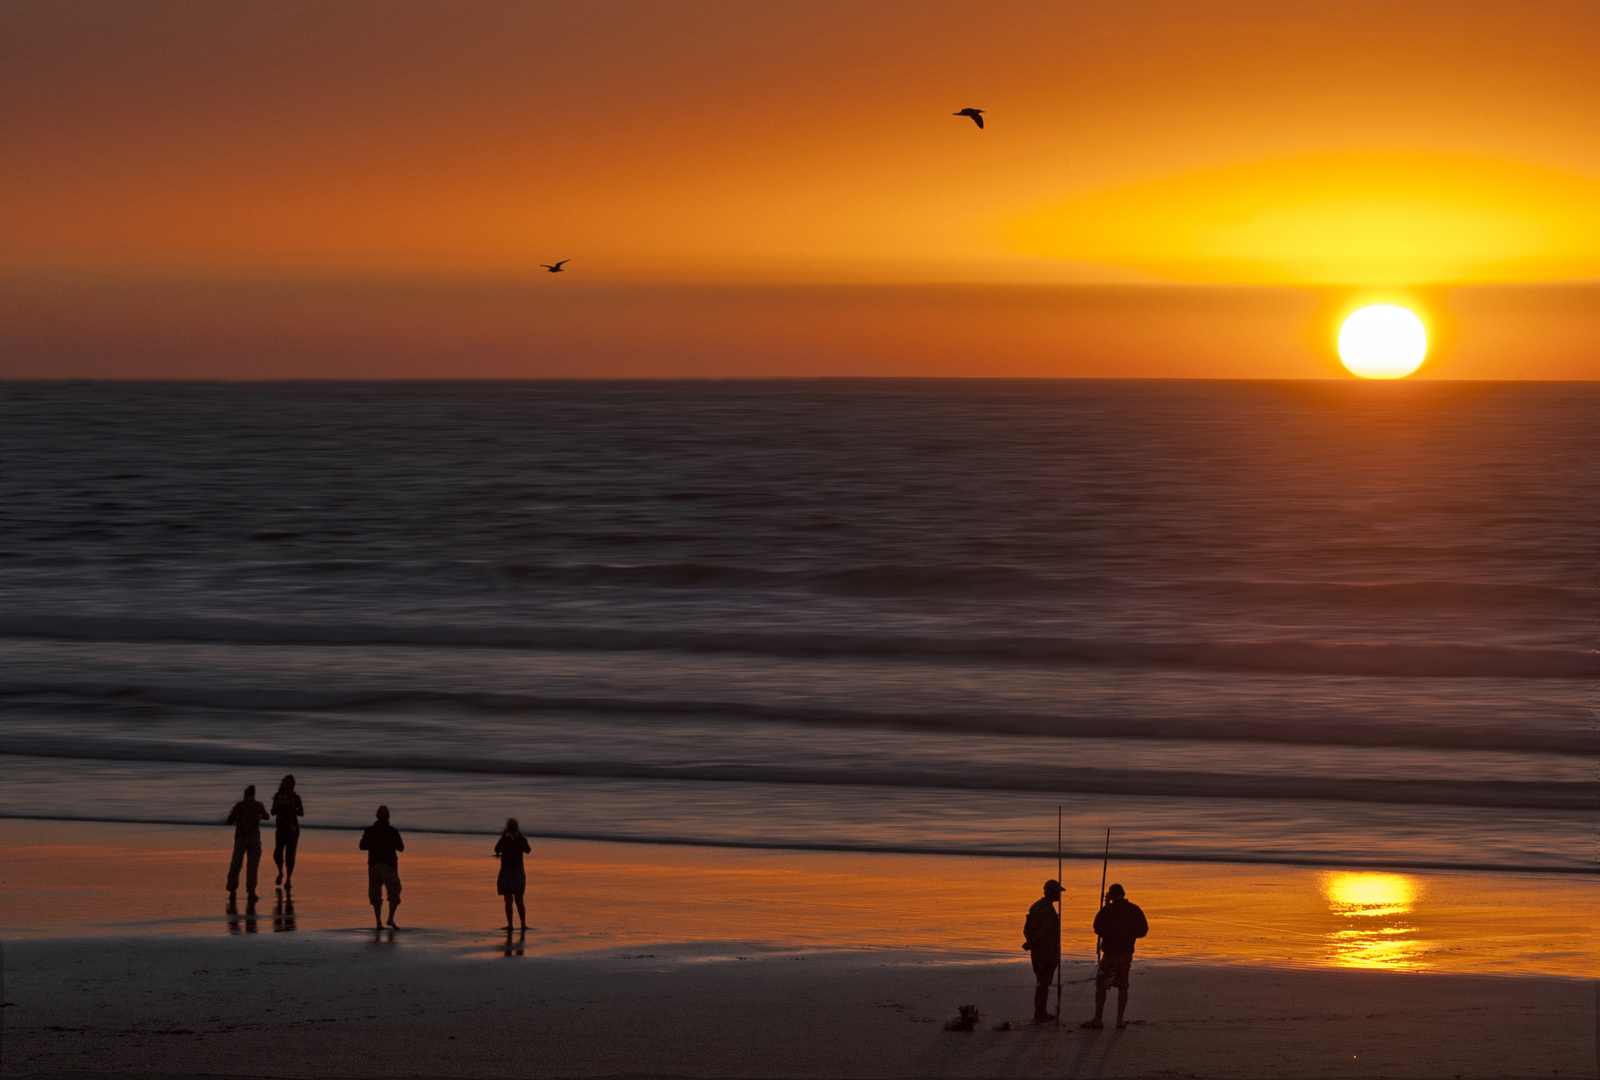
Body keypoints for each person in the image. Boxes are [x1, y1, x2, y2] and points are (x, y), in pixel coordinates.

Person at [1083, 882, 1148, 1030]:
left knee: (1101, 985)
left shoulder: (1108, 910)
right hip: (1126, 953)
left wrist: (1106, 906)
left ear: (1111, 895)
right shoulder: (1134, 909)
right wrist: (1130, 935)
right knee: (1123, 986)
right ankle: (1119, 1020)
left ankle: (1098, 1019)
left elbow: (1097, 927)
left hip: (1111, 953)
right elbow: (1143, 930)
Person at [1021, 878, 1063, 1023]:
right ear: (1050, 892)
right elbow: (1043, 932)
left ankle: (1041, 1011)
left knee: (1042, 981)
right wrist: (1033, 943)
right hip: (1045, 952)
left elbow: (1027, 929)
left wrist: (1031, 943)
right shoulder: (1045, 909)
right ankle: (1039, 1013)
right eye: (1058, 892)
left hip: (1042, 950)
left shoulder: (1038, 906)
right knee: (1043, 982)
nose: (1059, 895)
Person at [359, 805, 405, 929]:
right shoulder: (392, 831)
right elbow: (401, 848)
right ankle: (390, 918)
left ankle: (378, 922)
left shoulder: (370, 831)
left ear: (377, 816)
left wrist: (375, 844)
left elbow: (362, 846)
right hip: (389, 865)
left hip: (374, 865)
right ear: (388, 817)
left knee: (375, 895)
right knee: (394, 892)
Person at [224, 784, 270, 901]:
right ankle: (251, 892)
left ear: (245, 795)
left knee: (236, 864)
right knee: (252, 866)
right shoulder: (258, 805)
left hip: (240, 838)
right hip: (254, 839)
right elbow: (267, 816)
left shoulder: (239, 806)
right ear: (253, 795)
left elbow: (229, 821)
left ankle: (232, 891)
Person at [494, 817, 531, 930]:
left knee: (509, 900)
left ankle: (511, 924)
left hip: (507, 870)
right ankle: (522, 924)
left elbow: (496, 849)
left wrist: (505, 837)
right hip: (517, 871)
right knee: (518, 900)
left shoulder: (508, 839)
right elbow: (528, 850)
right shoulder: (519, 839)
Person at [270, 775, 304, 888]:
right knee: (277, 854)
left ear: (292, 786)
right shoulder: (278, 796)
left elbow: (301, 813)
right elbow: (272, 812)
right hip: (280, 828)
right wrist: (279, 807)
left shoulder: (295, 798)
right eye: (285, 782)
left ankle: (288, 879)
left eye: (288, 783)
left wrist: (292, 808)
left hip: (292, 829)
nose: (286, 785)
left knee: (290, 855)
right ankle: (280, 872)